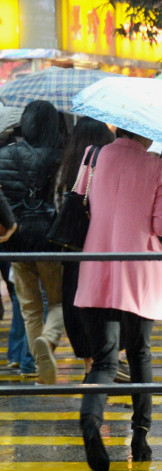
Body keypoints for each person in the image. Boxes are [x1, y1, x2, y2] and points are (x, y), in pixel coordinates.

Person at [75, 128, 162, 471]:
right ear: (146, 132)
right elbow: (161, 226)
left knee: (104, 361)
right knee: (140, 353)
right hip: (139, 269)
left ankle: (90, 420)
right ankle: (140, 435)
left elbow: (81, 204)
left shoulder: (93, 154)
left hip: (97, 263)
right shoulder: (157, 164)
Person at [0, 100, 64, 385]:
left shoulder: (4, 155)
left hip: (17, 240)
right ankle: (48, 341)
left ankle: (40, 366)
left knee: (29, 308)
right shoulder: (61, 155)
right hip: (50, 239)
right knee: (60, 301)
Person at [55, 117, 115, 377]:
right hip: (101, 248)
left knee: (75, 304)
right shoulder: (108, 165)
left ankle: (89, 366)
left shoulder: (67, 168)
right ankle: (105, 364)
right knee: (101, 307)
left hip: (73, 248)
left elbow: (59, 206)